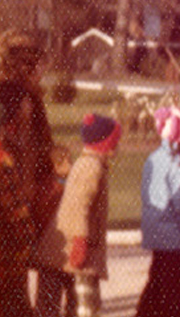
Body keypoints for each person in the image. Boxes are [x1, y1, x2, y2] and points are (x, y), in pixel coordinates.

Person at [0, 30, 42, 317]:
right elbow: (14, 139)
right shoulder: (6, 91)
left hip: (16, 185)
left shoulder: (23, 91)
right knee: (9, 272)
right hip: (10, 187)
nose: (36, 68)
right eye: (30, 62)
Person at [139, 107, 180, 317]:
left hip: (155, 230)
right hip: (174, 234)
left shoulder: (153, 158)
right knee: (176, 293)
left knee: (157, 283)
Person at [58, 114, 119, 317]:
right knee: (87, 302)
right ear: (104, 144)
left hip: (86, 245)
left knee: (88, 298)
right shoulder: (91, 168)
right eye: (114, 142)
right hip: (84, 247)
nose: (117, 147)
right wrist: (80, 240)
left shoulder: (88, 163)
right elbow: (79, 206)